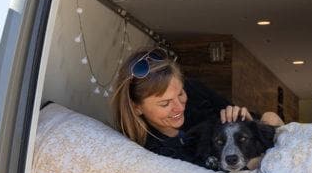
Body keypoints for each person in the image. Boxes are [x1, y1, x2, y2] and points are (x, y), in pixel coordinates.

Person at [111, 48, 283, 163]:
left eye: (180, 94)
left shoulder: (195, 91)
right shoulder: (147, 153)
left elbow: (269, 123)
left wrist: (247, 123)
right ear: (136, 107)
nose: (179, 107)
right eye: (165, 103)